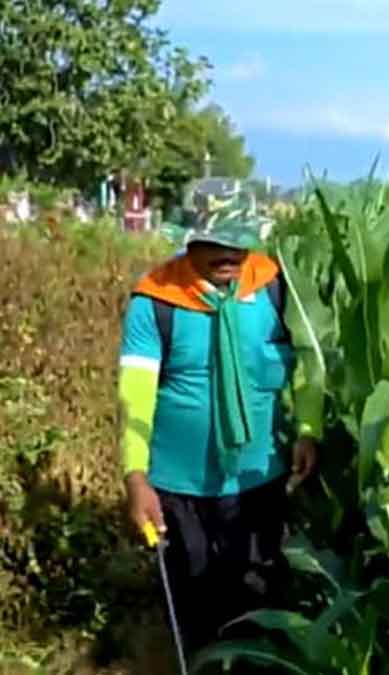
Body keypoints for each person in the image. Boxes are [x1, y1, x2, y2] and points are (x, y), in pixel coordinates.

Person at [116, 201, 323, 656]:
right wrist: (135, 475)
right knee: (195, 601)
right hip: (178, 484)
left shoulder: (275, 288)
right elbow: (136, 396)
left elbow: (309, 363)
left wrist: (309, 428)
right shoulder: (156, 301)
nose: (228, 254)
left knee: (257, 597)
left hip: (259, 478)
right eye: (214, 243)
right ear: (190, 240)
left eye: (238, 242)